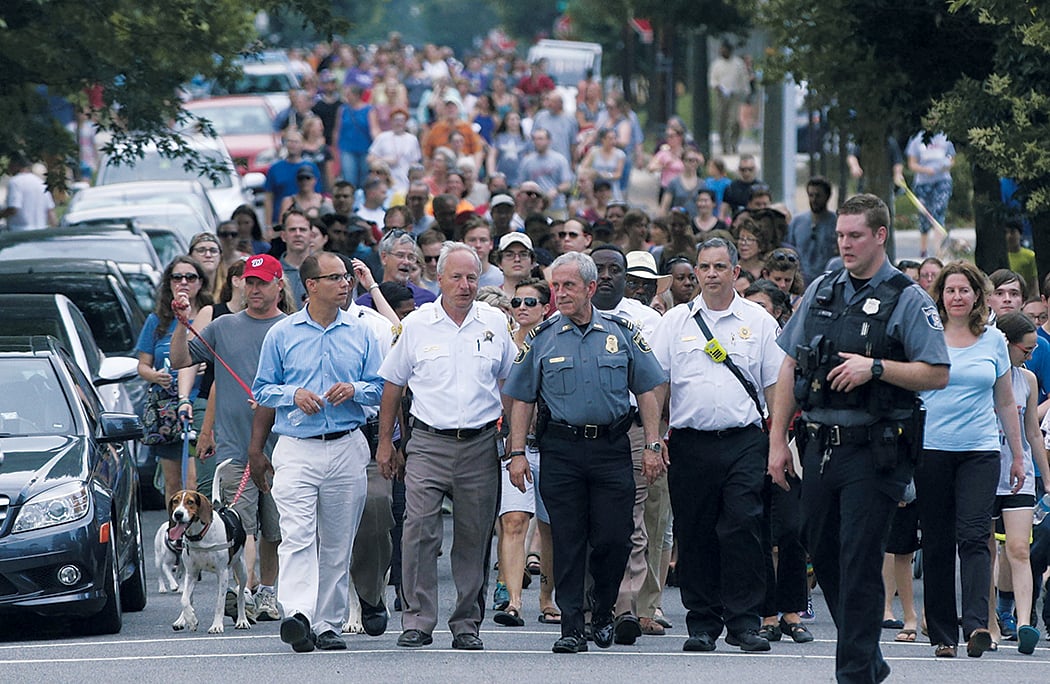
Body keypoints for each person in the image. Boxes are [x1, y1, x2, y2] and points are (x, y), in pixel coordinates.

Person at [767, 194, 950, 682]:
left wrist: (877, 368)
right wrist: (776, 441)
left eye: (855, 236)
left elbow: (936, 373)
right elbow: (789, 365)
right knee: (819, 546)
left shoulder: (907, 298)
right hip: (818, 443)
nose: (845, 244)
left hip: (876, 450)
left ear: (881, 236)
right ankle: (867, 653)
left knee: (859, 555)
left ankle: (854, 673)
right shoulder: (824, 290)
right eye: (841, 236)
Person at [503, 251, 667, 655]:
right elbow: (520, 397)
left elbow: (648, 388)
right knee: (569, 538)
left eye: (569, 286)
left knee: (614, 537)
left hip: (612, 446)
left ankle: (604, 607)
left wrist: (651, 443)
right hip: (561, 448)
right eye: (556, 286)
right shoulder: (542, 338)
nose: (559, 294)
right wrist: (517, 451)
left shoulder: (622, 331)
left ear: (591, 288)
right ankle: (573, 625)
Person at [375, 242, 518, 651]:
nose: (465, 285)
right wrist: (387, 443)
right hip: (428, 442)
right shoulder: (418, 324)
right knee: (418, 530)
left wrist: (512, 437)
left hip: (480, 443)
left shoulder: (494, 323)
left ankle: (467, 624)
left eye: (472, 277)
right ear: (438, 279)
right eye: (456, 276)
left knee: (473, 537)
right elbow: (393, 386)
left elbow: (511, 382)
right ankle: (418, 620)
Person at [648, 237, 784, 654]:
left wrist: (777, 440)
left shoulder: (759, 322)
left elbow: (776, 385)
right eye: (704, 267)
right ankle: (703, 621)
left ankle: (744, 622)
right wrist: (654, 439)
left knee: (743, 525)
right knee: (696, 531)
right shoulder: (675, 322)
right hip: (690, 443)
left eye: (719, 267)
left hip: (744, 440)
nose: (710, 275)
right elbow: (657, 385)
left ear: (736, 273)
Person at [251, 252, 385, 653]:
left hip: (346, 443)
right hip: (296, 446)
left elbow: (380, 387)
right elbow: (261, 390)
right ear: (311, 285)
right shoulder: (282, 333)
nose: (346, 284)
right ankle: (297, 614)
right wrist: (293, 394)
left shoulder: (361, 333)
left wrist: (355, 390)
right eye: (335, 278)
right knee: (297, 533)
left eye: (346, 277)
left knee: (338, 540)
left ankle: (327, 623)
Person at [169, 254, 288, 624]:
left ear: (278, 285)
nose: (254, 289)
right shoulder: (223, 326)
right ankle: (245, 591)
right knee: (243, 523)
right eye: (249, 282)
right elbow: (179, 360)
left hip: (285, 447)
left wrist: (274, 397)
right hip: (236, 447)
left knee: (276, 529)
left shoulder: (292, 328)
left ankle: (266, 592)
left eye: (262, 282)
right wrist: (181, 324)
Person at [916, 261, 1026, 659]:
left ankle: (978, 625)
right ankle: (943, 634)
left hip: (979, 450)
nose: (957, 297)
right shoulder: (926, 338)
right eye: (950, 291)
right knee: (938, 540)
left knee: (975, 536)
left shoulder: (994, 340)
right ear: (941, 297)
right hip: (932, 450)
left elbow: (1005, 400)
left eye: (964, 290)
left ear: (977, 295)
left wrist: (1017, 456)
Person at [590, 247, 666, 643]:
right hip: (579, 434)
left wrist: (655, 439)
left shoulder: (648, 321)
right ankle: (590, 603)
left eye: (613, 270)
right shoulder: (564, 314)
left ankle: (625, 608)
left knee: (632, 520)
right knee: (588, 523)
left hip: (632, 429)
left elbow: (654, 383)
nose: (606, 276)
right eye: (598, 269)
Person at [492, 278, 554, 628]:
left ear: (546, 308)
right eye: (517, 303)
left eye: (531, 302)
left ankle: (547, 599)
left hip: (552, 443)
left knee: (551, 526)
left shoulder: (557, 339)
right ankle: (513, 600)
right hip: (512, 443)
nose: (522, 308)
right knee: (513, 520)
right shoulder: (503, 345)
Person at [990, 312, 1050, 654]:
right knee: (985, 549)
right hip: (986, 469)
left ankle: (1025, 621)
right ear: (1006, 344)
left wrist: (1047, 481)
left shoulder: (1026, 380)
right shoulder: (986, 375)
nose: (1029, 357)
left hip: (1020, 473)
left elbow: (1033, 433)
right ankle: (988, 622)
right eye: (1025, 350)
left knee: (1019, 548)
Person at [136, 256, 212, 502]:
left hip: (200, 406)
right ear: (168, 283)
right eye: (177, 277)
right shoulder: (157, 320)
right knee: (173, 482)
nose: (183, 282)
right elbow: (142, 366)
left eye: (190, 277)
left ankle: (197, 534)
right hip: (168, 411)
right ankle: (174, 535)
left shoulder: (211, 316)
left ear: (200, 283)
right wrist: (155, 376)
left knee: (193, 480)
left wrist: (204, 366)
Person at [906, 130, 955, 257]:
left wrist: (945, 166)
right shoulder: (916, 137)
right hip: (922, 183)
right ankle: (923, 250)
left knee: (938, 212)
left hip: (942, 181)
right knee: (924, 216)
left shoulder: (945, 136)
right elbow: (912, 164)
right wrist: (925, 170)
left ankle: (938, 250)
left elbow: (952, 158)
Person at [263, 130, 322, 229]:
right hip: (280, 220)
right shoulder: (275, 168)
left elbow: (317, 194)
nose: (293, 145)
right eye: (289, 141)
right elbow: (268, 197)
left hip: (306, 220)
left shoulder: (311, 167)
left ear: (302, 144)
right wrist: (268, 225)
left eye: (296, 142)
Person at [786, 177, 837, 284]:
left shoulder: (836, 223)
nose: (814, 200)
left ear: (827, 196)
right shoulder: (797, 222)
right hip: (801, 281)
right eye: (811, 195)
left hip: (828, 280)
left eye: (818, 196)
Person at [517, 128, 574, 219]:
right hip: (534, 208)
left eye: (540, 139)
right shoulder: (527, 161)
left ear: (549, 141)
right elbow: (521, 184)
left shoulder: (559, 159)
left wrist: (556, 190)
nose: (537, 142)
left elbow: (567, 184)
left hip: (556, 207)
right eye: (535, 139)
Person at [709, 42, 750, 155]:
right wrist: (718, 87)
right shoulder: (717, 64)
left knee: (735, 121)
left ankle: (734, 143)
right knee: (722, 121)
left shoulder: (738, 63)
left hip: (735, 96)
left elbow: (744, 79)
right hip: (721, 96)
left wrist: (746, 94)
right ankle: (724, 145)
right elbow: (713, 80)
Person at [1, 155, 56, 230]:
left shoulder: (15, 182)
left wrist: (1, 214)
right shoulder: (40, 183)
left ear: (16, 166)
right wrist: (55, 229)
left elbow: (14, 209)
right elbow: (50, 211)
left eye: (10, 165)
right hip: (40, 232)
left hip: (20, 232)